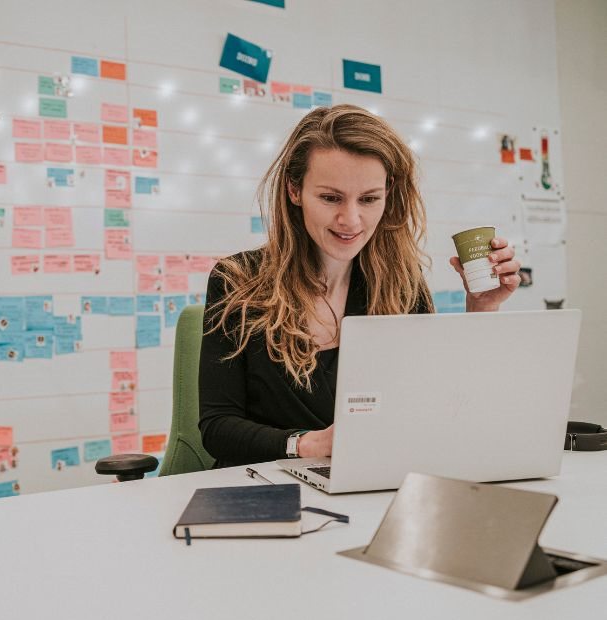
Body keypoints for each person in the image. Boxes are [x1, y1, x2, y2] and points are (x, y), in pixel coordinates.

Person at [199, 105, 521, 468]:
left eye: (368, 199)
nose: (351, 220)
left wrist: (483, 307)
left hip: (370, 482)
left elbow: (443, 406)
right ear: (294, 189)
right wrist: (306, 444)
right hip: (264, 486)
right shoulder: (238, 280)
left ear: (388, 193)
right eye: (330, 198)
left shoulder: (401, 284)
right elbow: (217, 428)